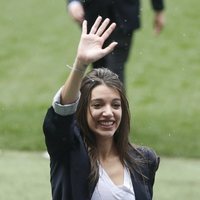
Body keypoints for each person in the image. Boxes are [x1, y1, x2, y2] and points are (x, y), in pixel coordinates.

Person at [43, 16, 160, 200]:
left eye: (115, 105)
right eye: (97, 105)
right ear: (82, 109)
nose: (108, 112)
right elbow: (62, 114)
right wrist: (81, 64)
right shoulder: (68, 153)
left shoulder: (144, 161)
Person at [67, 0, 165, 84]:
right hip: (93, 14)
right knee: (98, 74)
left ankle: (117, 104)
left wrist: (158, 8)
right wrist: (73, 2)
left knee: (114, 73)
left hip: (124, 15)